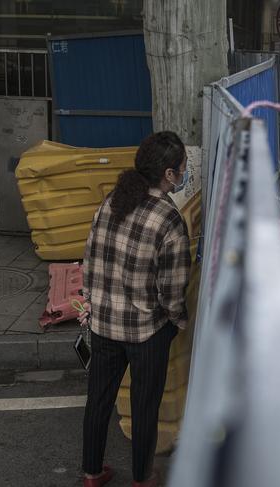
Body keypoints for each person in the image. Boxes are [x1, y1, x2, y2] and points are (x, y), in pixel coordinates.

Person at [81, 131, 191, 487]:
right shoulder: (168, 219)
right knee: (145, 409)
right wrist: (177, 321)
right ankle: (143, 479)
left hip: (103, 325)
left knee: (98, 400)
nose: (186, 172)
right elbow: (173, 290)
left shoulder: (112, 200)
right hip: (146, 332)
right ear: (170, 175)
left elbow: (89, 259)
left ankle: (92, 473)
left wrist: (94, 304)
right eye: (184, 167)